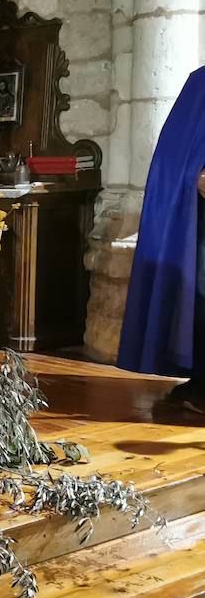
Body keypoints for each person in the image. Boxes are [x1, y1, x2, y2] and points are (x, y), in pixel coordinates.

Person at [119, 68, 205, 411]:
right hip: (200, 224)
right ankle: (201, 381)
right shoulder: (200, 83)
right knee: (198, 294)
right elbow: (173, 158)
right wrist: (194, 177)